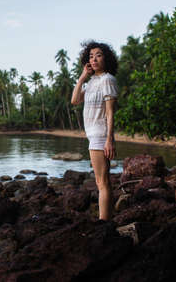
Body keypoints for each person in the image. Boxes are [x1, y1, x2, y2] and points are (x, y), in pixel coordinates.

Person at [71, 41, 119, 220]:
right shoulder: (91, 82)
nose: (94, 59)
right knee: (102, 181)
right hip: (93, 136)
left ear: (106, 58)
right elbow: (74, 100)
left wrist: (109, 139)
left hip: (100, 135)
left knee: (102, 182)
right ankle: (107, 220)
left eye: (98, 55)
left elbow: (110, 112)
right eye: (91, 56)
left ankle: (104, 223)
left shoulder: (107, 79)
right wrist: (83, 77)